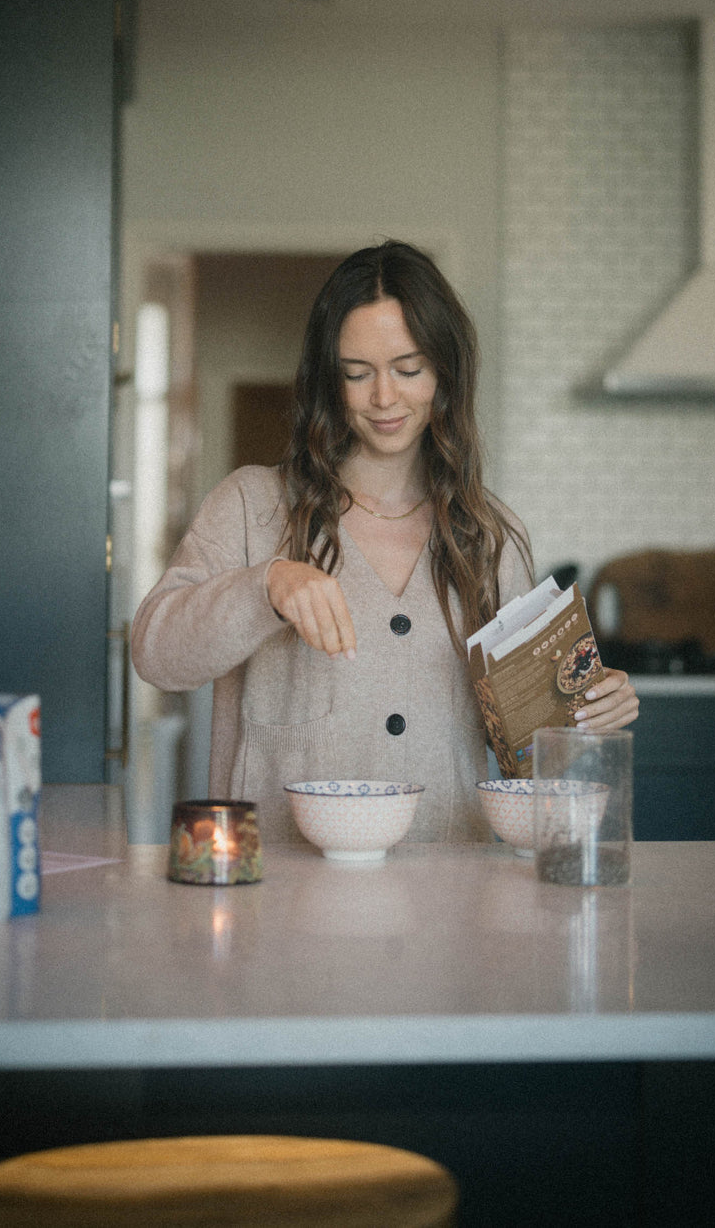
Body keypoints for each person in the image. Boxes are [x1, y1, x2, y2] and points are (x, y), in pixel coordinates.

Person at [131, 240, 638, 843]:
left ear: (445, 374)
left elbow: (527, 756)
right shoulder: (252, 506)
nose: (383, 398)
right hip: (283, 903)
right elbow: (155, 654)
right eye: (357, 373)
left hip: (446, 903)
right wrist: (266, 585)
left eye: (409, 369)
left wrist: (585, 715)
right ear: (329, 380)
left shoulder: (490, 537)